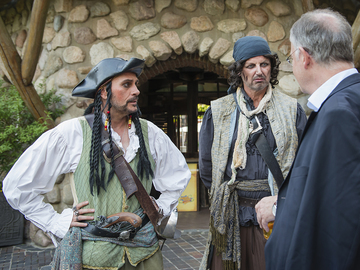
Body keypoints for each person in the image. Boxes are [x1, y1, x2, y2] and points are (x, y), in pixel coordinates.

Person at [3, 57, 191, 269]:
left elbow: (177, 177)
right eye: (127, 85)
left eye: (136, 84)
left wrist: (161, 206)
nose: (136, 90)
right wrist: (56, 222)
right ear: (104, 92)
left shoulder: (150, 133)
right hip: (95, 259)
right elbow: (18, 187)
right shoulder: (73, 133)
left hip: (146, 254)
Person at [198, 36, 307, 270]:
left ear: (271, 68)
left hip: (274, 216)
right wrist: (228, 197)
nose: (259, 71)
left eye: (264, 64)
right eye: (251, 65)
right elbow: (208, 169)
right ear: (240, 71)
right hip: (230, 216)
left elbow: (303, 166)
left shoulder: (291, 110)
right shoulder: (218, 111)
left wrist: (281, 202)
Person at [264, 9, 360, 270]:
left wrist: (277, 211)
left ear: (303, 57)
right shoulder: (346, 102)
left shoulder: (339, 114)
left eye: (290, 57)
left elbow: (338, 222)